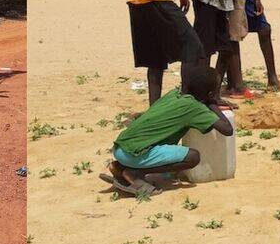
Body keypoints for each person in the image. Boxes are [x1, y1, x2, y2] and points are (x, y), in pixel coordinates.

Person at [99, 65, 234, 195]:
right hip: (134, 154)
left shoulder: (174, 94)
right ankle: (135, 173)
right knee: (193, 157)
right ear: (210, 93)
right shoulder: (194, 108)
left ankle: (121, 167)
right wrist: (212, 104)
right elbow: (227, 129)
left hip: (120, 148)